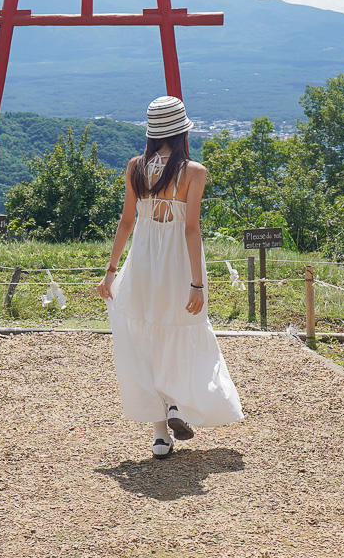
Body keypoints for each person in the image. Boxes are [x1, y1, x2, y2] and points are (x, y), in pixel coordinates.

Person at [97, 96, 243, 459]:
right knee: (185, 333)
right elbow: (191, 229)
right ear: (181, 132)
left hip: (143, 261)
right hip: (177, 261)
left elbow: (127, 221)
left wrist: (111, 270)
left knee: (145, 336)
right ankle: (176, 403)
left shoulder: (135, 167)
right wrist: (197, 282)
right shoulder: (194, 172)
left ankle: (160, 436)